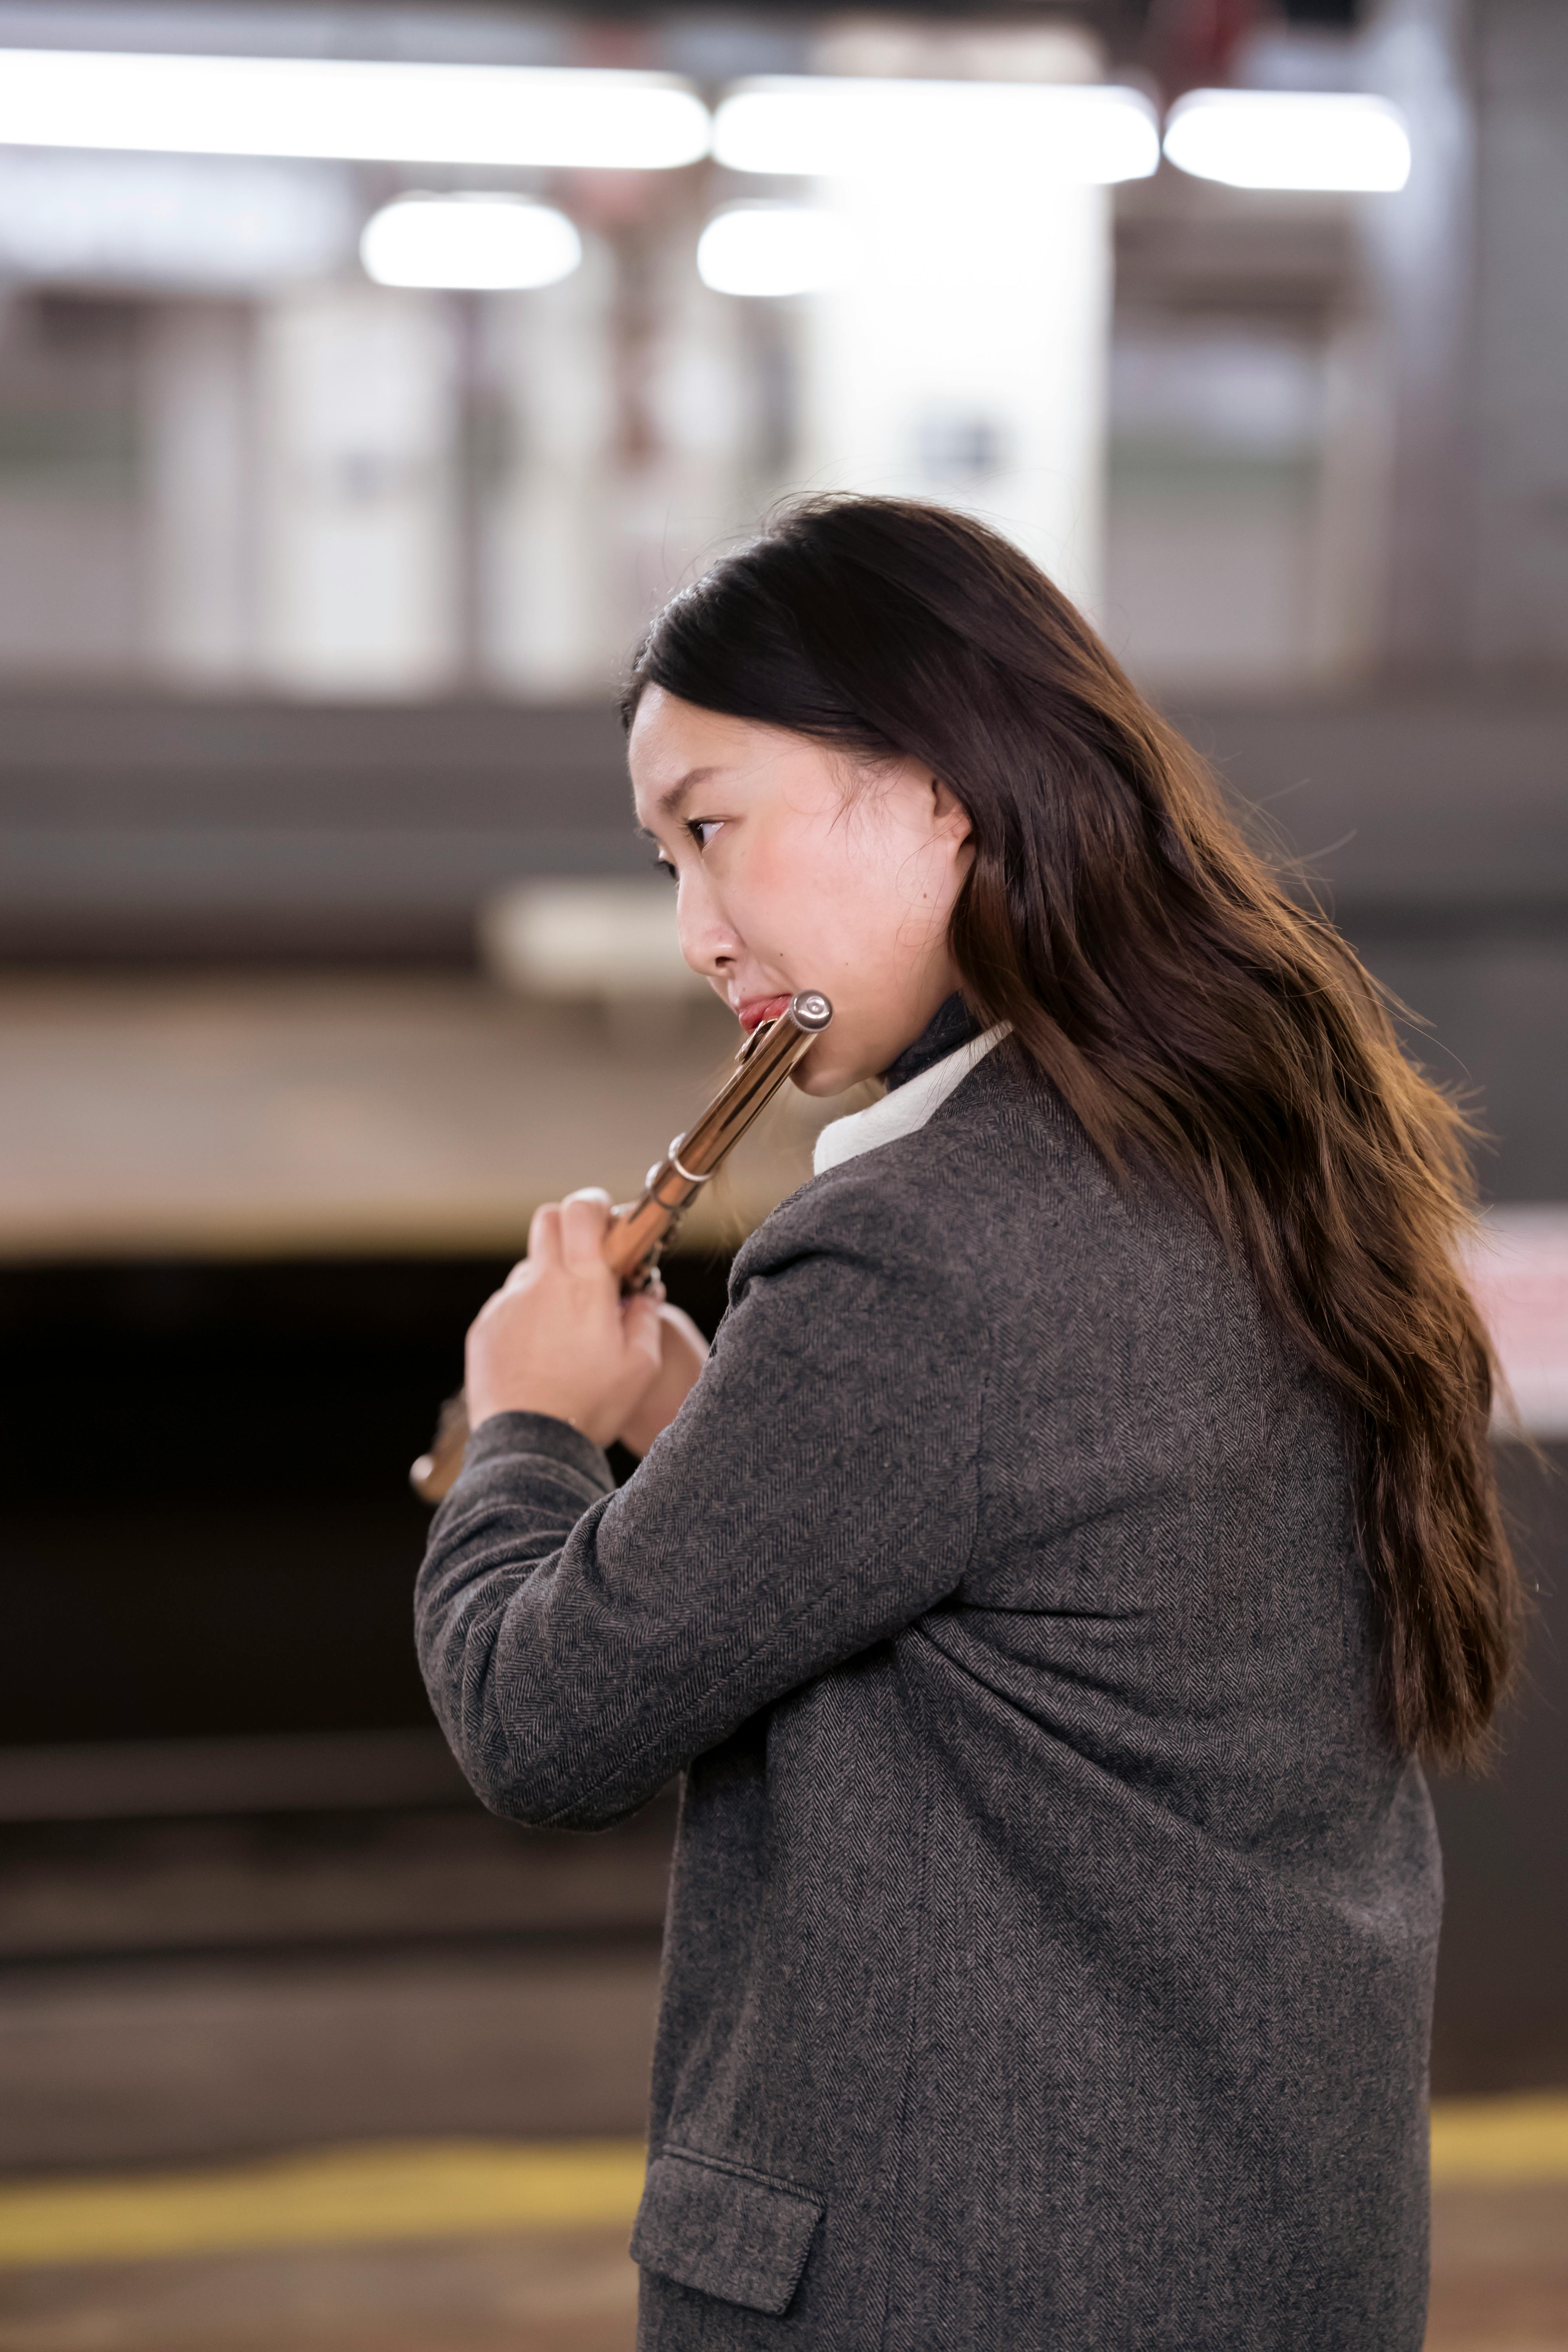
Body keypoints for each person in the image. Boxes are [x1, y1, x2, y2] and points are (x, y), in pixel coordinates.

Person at [415, 496, 1519, 2351]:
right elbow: (1001, 1569)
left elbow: (541, 1725)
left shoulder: (923, 1252)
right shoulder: (1254, 1143)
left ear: (939, 796)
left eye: (712, 831)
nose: (697, 929)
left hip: (954, 2282)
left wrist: (525, 1426)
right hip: (1266, 2262)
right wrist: (722, 1431)